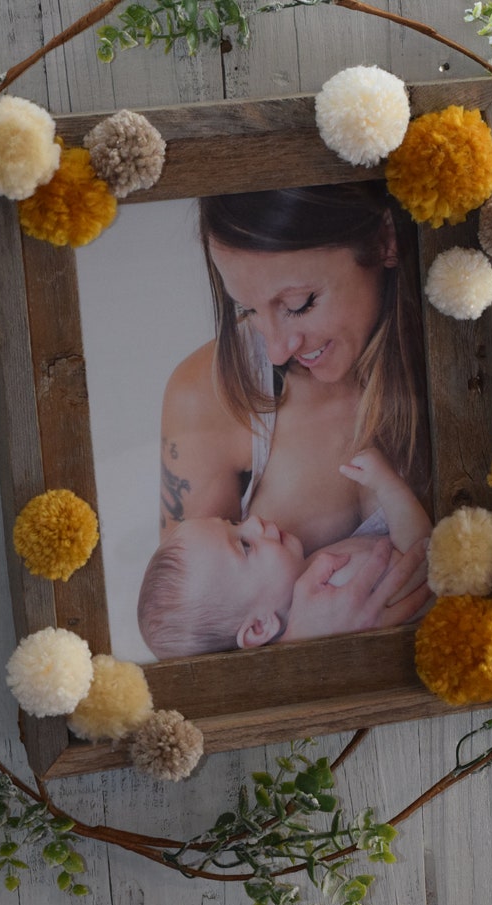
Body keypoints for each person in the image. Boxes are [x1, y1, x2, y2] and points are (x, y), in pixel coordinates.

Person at [155, 182, 431, 644]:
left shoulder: (468, 354)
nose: (277, 350)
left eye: (299, 305)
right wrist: (302, 643)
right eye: (247, 309)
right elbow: (188, 642)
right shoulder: (208, 393)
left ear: (385, 239)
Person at [140, 448, 431, 659]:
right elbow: (421, 559)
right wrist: (388, 487)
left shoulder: (315, 578)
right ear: (260, 627)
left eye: (235, 523)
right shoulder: (339, 585)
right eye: (245, 545)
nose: (254, 522)